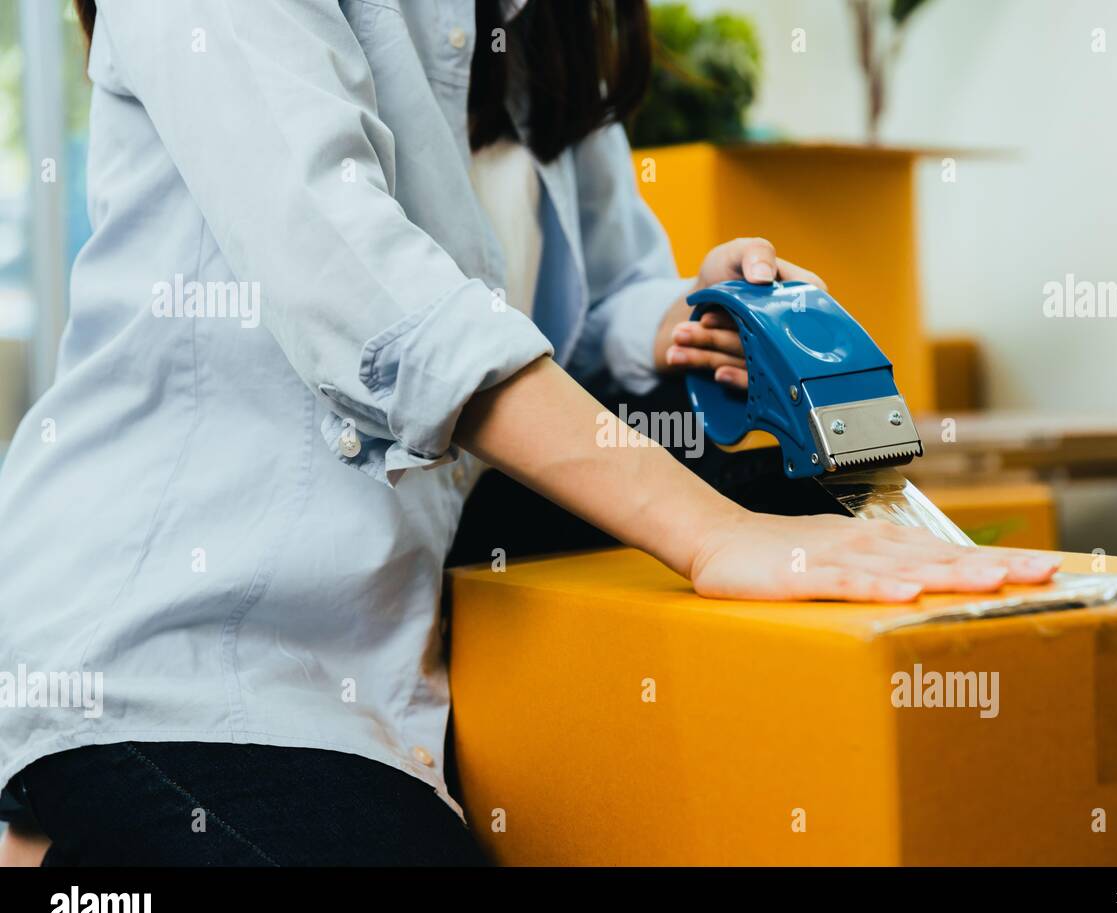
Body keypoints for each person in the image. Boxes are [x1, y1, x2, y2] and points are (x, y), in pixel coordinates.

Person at [0, 0, 1057, 866]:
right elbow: (374, 304)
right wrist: (709, 532)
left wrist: (685, 319)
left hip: (431, 610)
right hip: (193, 649)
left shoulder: (536, 21)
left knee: (789, 495)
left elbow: (592, 289)